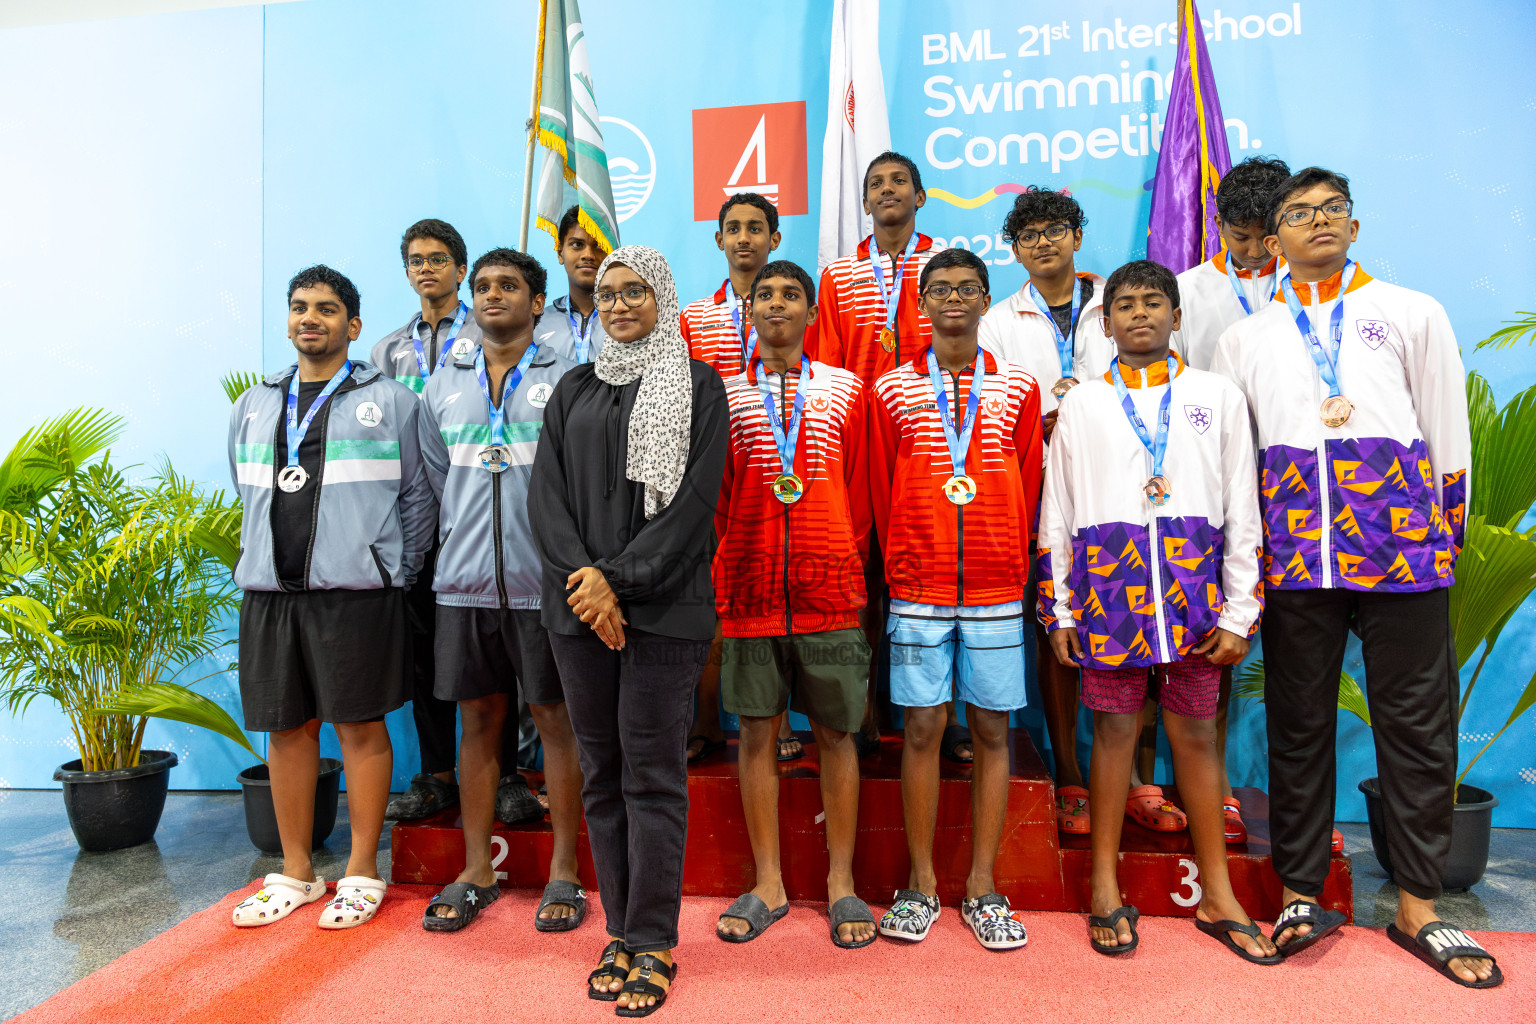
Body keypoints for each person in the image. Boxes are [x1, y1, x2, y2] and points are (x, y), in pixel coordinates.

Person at [1213, 169, 1498, 986]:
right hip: (1295, 557)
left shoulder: (1410, 311)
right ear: (1273, 242)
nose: (1319, 223)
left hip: (1403, 552)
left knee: (1415, 726)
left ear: (1356, 225)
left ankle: (1419, 906)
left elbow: (1447, 430)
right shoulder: (1245, 340)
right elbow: (1239, 464)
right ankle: (1302, 893)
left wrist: (1442, 530)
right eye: (1299, 215)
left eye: (1333, 210)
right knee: (1298, 726)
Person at [1038, 259, 1273, 961]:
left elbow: (1242, 508)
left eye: (1153, 302)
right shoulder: (1083, 404)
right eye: (1125, 305)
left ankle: (1219, 896)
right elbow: (1059, 513)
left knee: (1198, 740)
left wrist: (1239, 613)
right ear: (1105, 323)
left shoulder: (1217, 395)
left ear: (1176, 315)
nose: (1140, 314)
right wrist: (1061, 609)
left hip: (1196, 600)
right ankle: (1105, 886)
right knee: (1110, 738)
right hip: (1109, 597)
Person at [530, 245, 728, 1014]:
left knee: (651, 775)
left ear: (663, 297)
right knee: (602, 775)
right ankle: (620, 928)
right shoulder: (573, 389)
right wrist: (589, 585)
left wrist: (619, 581)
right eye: (607, 293)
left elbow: (694, 510)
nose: (617, 305)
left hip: (664, 612)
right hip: (579, 615)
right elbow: (546, 502)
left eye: (635, 292)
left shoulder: (700, 388)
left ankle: (653, 941)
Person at [229, 265, 433, 930]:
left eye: (324, 308)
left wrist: (389, 567)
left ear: (354, 325)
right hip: (270, 591)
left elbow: (419, 498)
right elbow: (246, 484)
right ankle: (295, 871)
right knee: (286, 730)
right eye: (298, 307)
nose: (308, 318)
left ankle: (361, 870)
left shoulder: (395, 402)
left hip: (356, 594)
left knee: (359, 728)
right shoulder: (255, 404)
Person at [868, 248, 1041, 950]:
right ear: (921, 304)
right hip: (917, 588)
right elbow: (881, 487)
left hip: (998, 587)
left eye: (966, 288)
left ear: (984, 298)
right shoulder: (888, 391)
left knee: (992, 731)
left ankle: (982, 885)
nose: (952, 299)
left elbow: (1028, 478)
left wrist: (1016, 558)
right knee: (920, 729)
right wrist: (902, 561)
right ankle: (919, 884)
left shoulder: (1020, 389)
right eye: (938, 289)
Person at [416, 249, 587, 933]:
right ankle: (475, 870)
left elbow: (582, 480)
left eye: (508, 286)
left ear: (537, 302)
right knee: (479, 724)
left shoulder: (570, 376)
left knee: (554, 725)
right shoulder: (444, 382)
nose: (492, 296)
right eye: (483, 286)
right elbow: (434, 480)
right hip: (463, 585)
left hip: (541, 584)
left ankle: (566, 870)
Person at [711, 260, 877, 948]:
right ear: (748, 310)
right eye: (765, 295)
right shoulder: (722, 395)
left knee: (836, 735)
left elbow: (863, 489)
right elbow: (716, 500)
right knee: (756, 733)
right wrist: (728, 577)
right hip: (750, 594)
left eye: (792, 295)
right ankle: (768, 882)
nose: (777, 303)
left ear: (813, 313)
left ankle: (842, 882)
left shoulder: (844, 389)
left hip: (829, 592)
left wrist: (847, 564)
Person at [373, 219, 540, 825]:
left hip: (491, 517)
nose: (427, 269)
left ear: (460, 269)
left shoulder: (494, 327)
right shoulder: (388, 349)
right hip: (422, 521)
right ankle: (436, 774)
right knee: (429, 662)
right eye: (416, 259)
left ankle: (508, 778)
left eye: (439, 258)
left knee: (506, 670)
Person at [977, 186, 1109, 835]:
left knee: (1121, 617)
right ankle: (1070, 772)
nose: (1044, 242)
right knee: (1049, 625)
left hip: (1117, 486)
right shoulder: (1001, 321)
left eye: (1056, 229)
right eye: (1029, 235)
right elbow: (991, 401)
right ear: (1016, 250)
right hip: (1034, 489)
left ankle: (1134, 776)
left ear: (1076, 236)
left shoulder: (1121, 301)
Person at [1167, 155, 1291, 845]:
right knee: (1209, 645)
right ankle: (1211, 798)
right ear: (1217, 225)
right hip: (1211, 486)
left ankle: (1289, 798)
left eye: (1260, 233)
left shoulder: (1306, 290)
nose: (1250, 248)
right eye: (1237, 234)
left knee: (1294, 654)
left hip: (1296, 486)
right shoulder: (1187, 290)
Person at [818, 151, 958, 761]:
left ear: (920, 196)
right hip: (858, 437)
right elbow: (826, 359)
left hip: (930, 435)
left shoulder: (946, 266)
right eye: (875, 183)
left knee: (933, 572)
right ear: (866, 200)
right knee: (863, 579)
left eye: (899, 181)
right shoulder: (840, 275)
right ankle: (865, 706)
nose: (887, 190)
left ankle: (939, 715)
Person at [678, 192, 793, 762]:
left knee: (782, 590)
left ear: (775, 239)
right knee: (710, 600)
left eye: (756, 228)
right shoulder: (696, 317)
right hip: (710, 476)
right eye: (733, 228)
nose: (744, 237)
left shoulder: (790, 306)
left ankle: (783, 720)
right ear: (719, 240)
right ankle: (705, 721)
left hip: (778, 470)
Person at [534, 204, 610, 363]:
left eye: (598, 245)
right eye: (577, 245)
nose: (588, 255)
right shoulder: (536, 322)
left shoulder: (626, 317)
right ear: (560, 253)